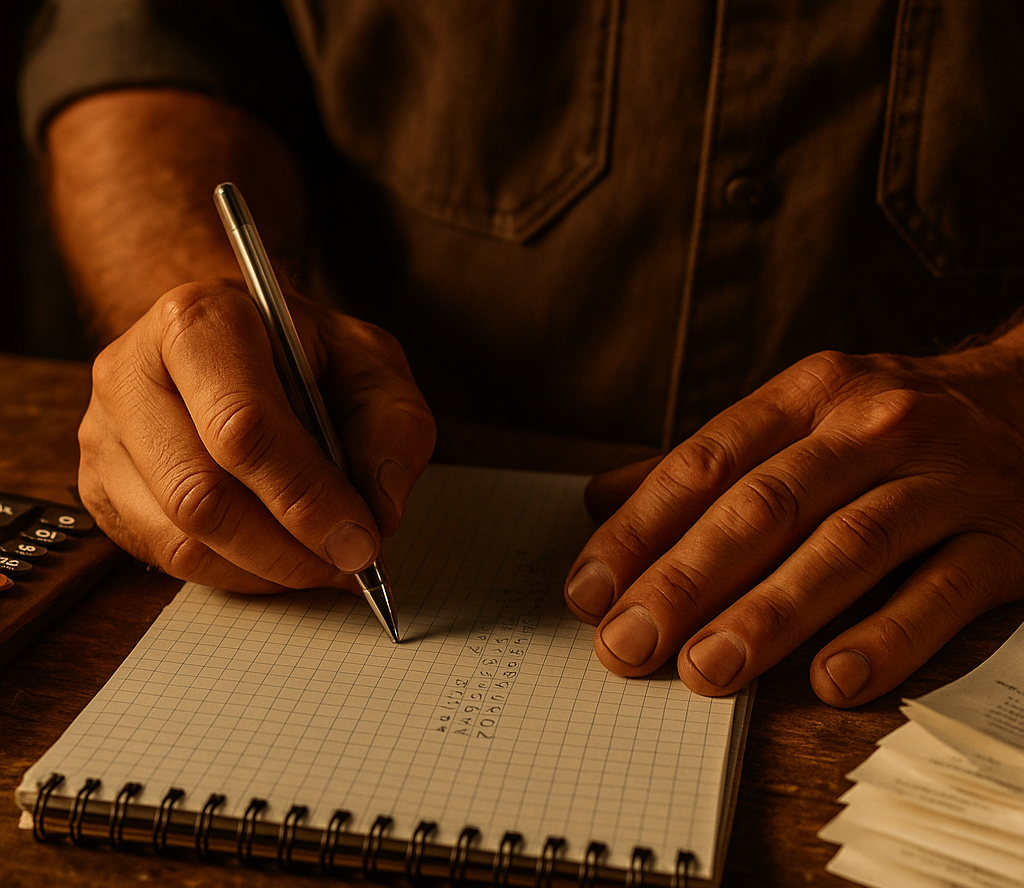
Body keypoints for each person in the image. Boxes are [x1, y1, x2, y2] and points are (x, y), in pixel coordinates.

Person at [19, 1, 1024, 709]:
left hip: (958, 548)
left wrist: (1006, 393)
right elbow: (152, 36)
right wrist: (195, 310)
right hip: (414, 483)